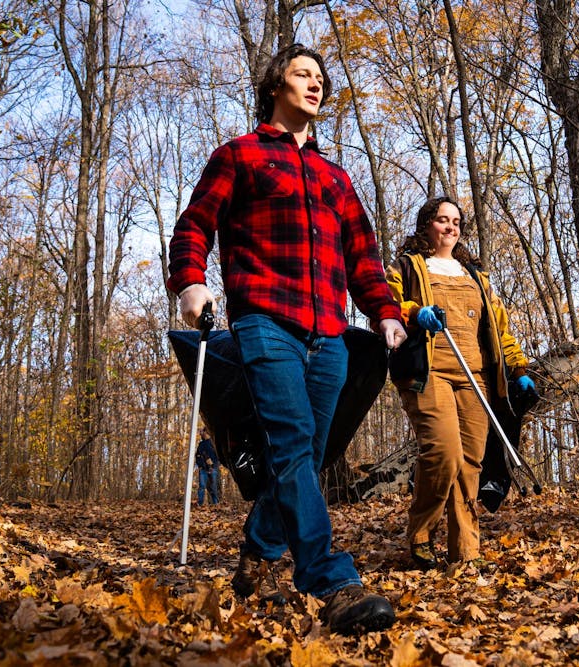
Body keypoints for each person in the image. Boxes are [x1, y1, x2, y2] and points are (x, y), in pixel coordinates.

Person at [166, 43, 406, 635]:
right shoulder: (240, 156)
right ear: (275, 85)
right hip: (264, 320)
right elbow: (195, 224)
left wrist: (386, 314)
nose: (316, 84)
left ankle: (257, 549)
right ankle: (331, 580)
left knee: (310, 453)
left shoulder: (335, 176)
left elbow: (364, 257)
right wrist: (191, 283)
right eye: (303, 74)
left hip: (330, 332)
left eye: (322, 78)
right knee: (294, 441)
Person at [385, 196, 535, 570]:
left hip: (477, 376)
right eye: (441, 220)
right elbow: (386, 305)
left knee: (471, 464)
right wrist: (416, 312)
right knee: (443, 453)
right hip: (429, 371)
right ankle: (421, 533)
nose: (450, 227)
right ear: (426, 225)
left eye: (456, 221)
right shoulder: (408, 266)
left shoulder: (476, 276)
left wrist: (519, 369)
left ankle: (465, 550)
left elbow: (500, 330)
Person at [195, 430, 220, 506]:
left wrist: (214, 465)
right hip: (203, 469)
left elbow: (219, 456)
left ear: (206, 432)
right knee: (202, 486)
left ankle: (216, 504)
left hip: (213, 468)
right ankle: (200, 504)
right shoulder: (201, 444)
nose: (201, 433)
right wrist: (201, 465)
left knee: (213, 487)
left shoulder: (213, 443)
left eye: (202, 432)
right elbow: (197, 456)